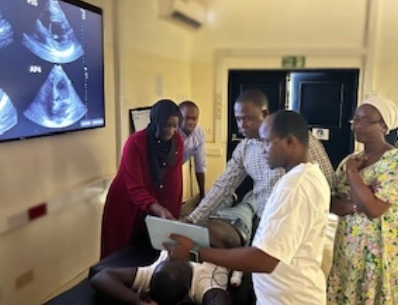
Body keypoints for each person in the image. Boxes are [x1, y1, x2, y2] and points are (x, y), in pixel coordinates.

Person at [167, 110, 330, 305]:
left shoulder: (296, 186)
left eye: (267, 142)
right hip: (282, 294)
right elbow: (223, 187)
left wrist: (195, 251)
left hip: (290, 298)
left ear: (289, 141)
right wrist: (193, 219)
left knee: (245, 207)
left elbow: (264, 260)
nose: (262, 150)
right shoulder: (305, 176)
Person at [186, 89, 335, 224]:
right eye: (238, 119)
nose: (242, 125)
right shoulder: (244, 148)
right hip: (265, 222)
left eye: (248, 118)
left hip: (297, 223)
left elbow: (328, 181)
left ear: (264, 114)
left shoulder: (296, 139)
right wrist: (193, 219)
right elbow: (223, 187)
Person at [327, 96, 398, 304]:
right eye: (355, 120)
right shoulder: (350, 160)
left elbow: (374, 210)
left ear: (385, 126)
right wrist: (356, 204)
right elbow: (332, 202)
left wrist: (353, 174)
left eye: (366, 120)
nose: (358, 125)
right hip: (349, 250)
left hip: (382, 251)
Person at [91, 200, 258, 305]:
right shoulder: (204, 286)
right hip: (233, 224)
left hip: (195, 219)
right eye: (179, 258)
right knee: (250, 201)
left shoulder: (153, 276)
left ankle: (229, 197)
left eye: (169, 257)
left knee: (214, 197)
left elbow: (101, 277)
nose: (173, 252)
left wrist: (135, 301)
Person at [100, 100, 184, 258]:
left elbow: (175, 181)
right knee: (122, 255)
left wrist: (173, 214)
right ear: (155, 122)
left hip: (155, 203)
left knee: (153, 252)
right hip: (126, 204)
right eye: (166, 125)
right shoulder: (135, 143)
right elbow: (135, 188)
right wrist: (159, 209)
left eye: (175, 126)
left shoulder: (177, 142)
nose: (171, 131)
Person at [179, 100, 206, 199]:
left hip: (176, 168)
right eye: (187, 118)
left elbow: (200, 165)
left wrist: (202, 194)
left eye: (194, 119)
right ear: (179, 117)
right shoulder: (171, 132)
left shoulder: (199, 133)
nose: (191, 122)